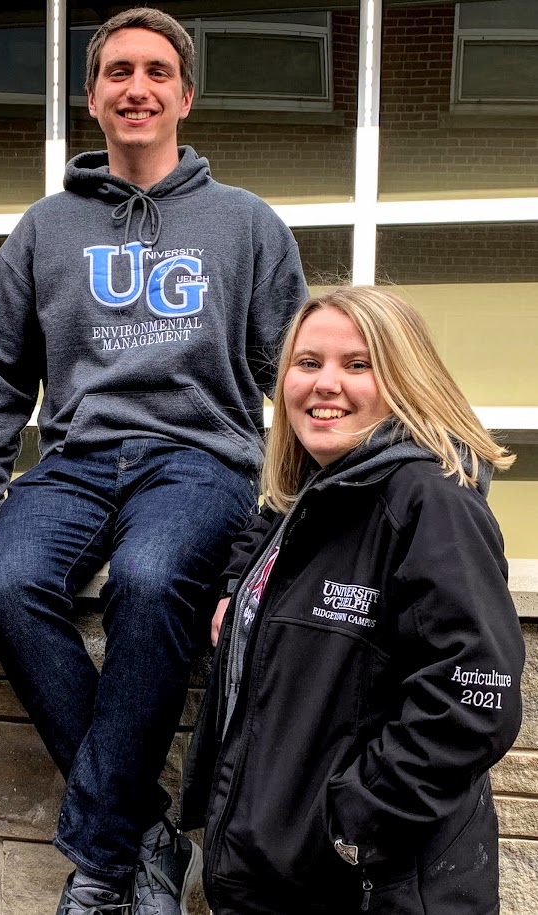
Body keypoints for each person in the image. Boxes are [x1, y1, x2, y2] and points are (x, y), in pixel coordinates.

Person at [0, 8, 308, 915]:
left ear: (184, 97)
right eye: (118, 72)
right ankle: (142, 827)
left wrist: (297, 508)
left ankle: (103, 864)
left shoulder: (246, 223)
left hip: (199, 459)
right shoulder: (43, 229)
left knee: (149, 578)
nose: (136, 88)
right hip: (75, 458)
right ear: (92, 98)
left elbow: (301, 377)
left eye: (155, 72)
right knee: (4, 581)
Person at [180, 286, 525, 914]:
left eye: (357, 364)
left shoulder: (429, 503)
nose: (325, 383)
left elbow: (471, 703)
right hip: (273, 880)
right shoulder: (314, 496)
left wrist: (350, 827)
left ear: (405, 380)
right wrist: (237, 588)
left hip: (370, 889)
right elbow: (266, 520)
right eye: (308, 363)